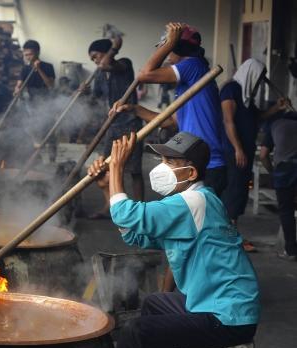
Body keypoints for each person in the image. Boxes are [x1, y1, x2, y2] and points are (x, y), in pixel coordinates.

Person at [88, 131, 261, 348]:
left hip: (228, 316)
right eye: (162, 161)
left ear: (191, 173)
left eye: (169, 162)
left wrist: (118, 168)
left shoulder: (193, 201)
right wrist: (107, 187)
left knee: (136, 331)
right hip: (210, 304)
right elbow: (136, 236)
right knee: (155, 303)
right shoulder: (192, 201)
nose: (161, 167)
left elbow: (124, 214)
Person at [113, 22, 227, 197]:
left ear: (178, 47)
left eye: (169, 48)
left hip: (207, 163)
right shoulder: (188, 80)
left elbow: (145, 75)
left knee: (199, 220)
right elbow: (172, 123)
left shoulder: (194, 65)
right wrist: (136, 109)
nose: (166, 54)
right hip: (194, 160)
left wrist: (169, 42)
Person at [220, 58, 289, 253]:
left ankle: (233, 233)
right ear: (250, 74)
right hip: (234, 151)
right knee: (233, 192)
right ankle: (231, 237)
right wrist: (238, 149)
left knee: (240, 192)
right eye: (258, 78)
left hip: (245, 150)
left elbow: (256, 117)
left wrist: (277, 108)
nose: (260, 83)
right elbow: (228, 121)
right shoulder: (231, 89)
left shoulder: (246, 98)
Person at [82, 37, 144, 219]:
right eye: (92, 59)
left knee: (134, 169)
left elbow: (105, 64)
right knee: (107, 166)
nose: (95, 61)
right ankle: (110, 206)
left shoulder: (124, 64)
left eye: (95, 56)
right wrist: (85, 92)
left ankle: (140, 208)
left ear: (106, 51)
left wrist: (114, 47)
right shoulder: (101, 75)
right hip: (113, 123)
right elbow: (94, 98)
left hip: (131, 121)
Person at [260, 112, 297, 261]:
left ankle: (292, 251)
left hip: (285, 171)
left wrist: (273, 173)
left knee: (286, 211)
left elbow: (263, 156)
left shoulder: (275, 125)